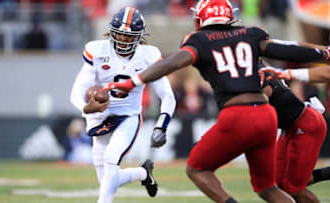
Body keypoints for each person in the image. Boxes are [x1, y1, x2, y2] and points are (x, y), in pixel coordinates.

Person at [105, 0, 330, 202]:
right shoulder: (250, 34)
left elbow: (173, 63)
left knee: (197, 169)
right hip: (268, 117)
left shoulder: (199, 40)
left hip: (243, 115)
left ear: (200, 18)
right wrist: (325, 53)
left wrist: (132, 82)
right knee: (269, 187)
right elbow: (288, 49)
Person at [69, 7, 176, 203]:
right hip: (99, 116)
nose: (124, 40)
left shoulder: (149, 55)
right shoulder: (97, 50)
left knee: (112, 157)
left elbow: (167, 96)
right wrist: (86, 109)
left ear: (140, 36)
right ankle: (143, 173)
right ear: (111, 32)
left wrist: (162, 124)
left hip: (128, 115)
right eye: (120, 35)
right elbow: (76, 91)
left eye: (130, 36)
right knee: (106, 180)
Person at [259, 60, 327, 203]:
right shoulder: (251, 65)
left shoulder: (253, 69)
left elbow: (264, 95)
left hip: (305, 124)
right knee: (277, 185)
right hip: (290, 127)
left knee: (293, 188)